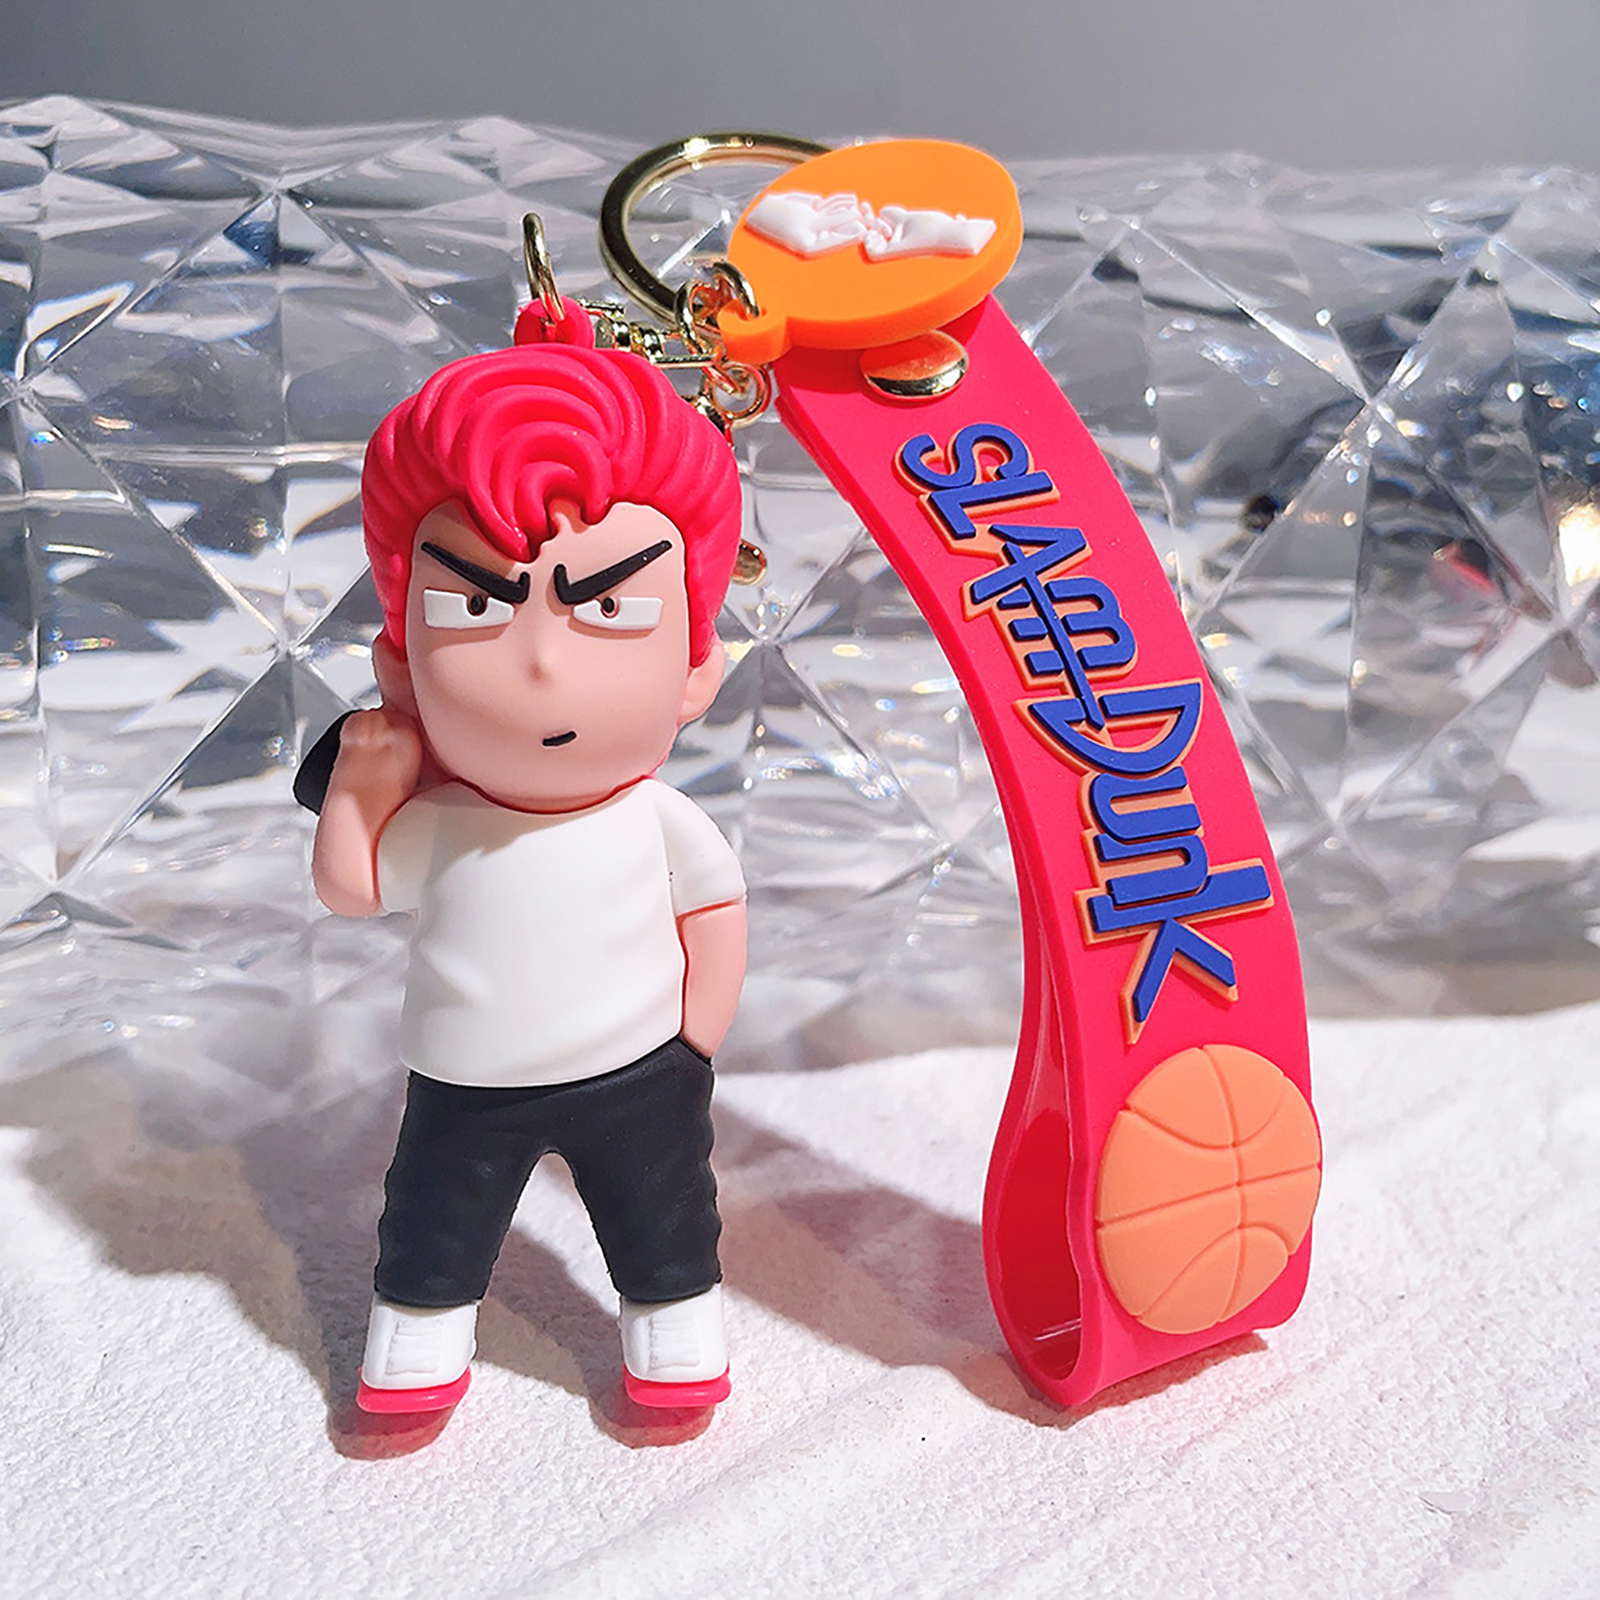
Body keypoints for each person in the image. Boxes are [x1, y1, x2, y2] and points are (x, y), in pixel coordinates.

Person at [310, 332, 747, 1412]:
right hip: (465, 1076)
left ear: (696, 666)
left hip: (638, 1065)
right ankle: (419, 1334)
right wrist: (363, 778)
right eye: (474, 607)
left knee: (663, 1215)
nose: (543, 663)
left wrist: (695, 1039)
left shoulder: (656, 818)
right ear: (399, 663)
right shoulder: (445, 821)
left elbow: (715, 909)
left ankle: (676, 1322)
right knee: (433, 1219)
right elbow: (353, 887)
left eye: (609, 608)